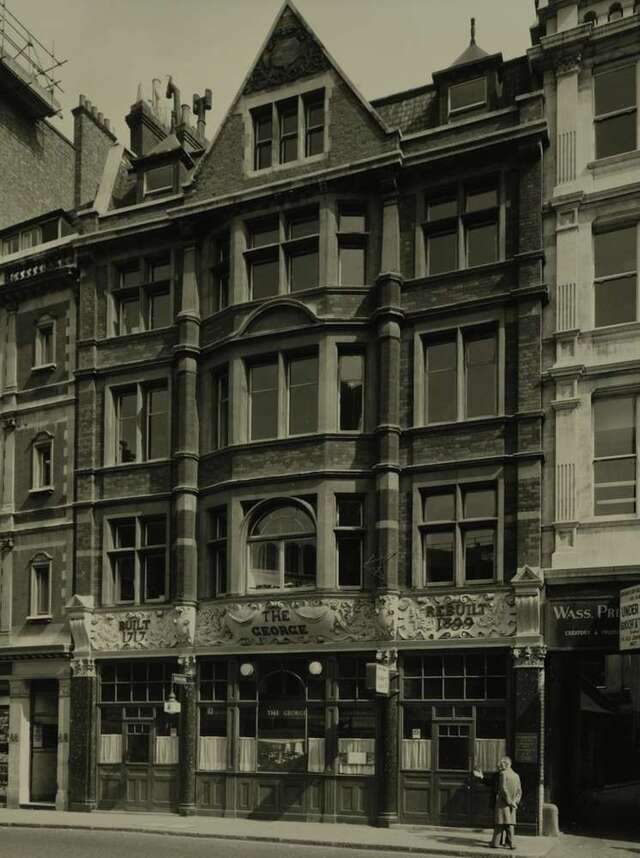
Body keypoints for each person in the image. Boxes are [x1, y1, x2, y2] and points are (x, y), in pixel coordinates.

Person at [473, 755, 522, 850]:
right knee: (509, 824)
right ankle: (509, 843)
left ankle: (496, 843)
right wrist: (515, 802)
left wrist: (509, 801)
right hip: (513, 805)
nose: (499, 765)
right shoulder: (516, 775)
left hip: (503, 803)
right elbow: (520, 791)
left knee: (500, 823)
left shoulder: (503, 774)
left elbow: (503, 789)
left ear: (506, 764)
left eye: (501, 764)